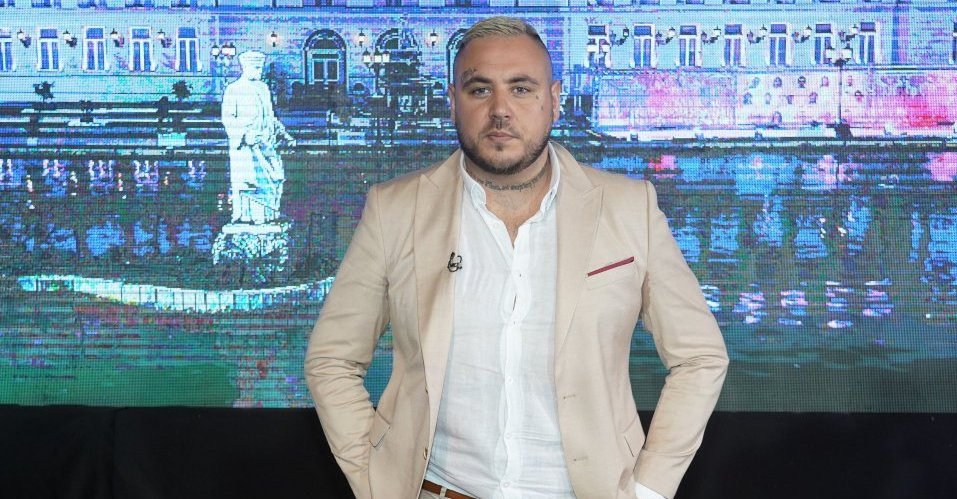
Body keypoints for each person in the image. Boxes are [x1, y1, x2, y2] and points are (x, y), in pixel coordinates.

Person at [306, 16, 728, 499]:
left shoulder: (630, 207)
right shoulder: (394, 209)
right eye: (480, 90)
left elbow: (700, 356)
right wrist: (374, 480)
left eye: (521, 89)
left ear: (554, 100)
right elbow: (332, 358)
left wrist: (649, 489)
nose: (500, 110)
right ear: (453, 101)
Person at [220, 50, 295, 225]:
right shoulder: (234, 89)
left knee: (276, 177)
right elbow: (228, 119)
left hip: (267, 144)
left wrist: (283, 133)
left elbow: (270, 116)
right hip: (247, 149)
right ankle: (250, 217)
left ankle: (270, 214)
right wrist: (245, 135)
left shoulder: (263, 88)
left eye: (260, 67)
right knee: (251, 184)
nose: (259, 71)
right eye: (256, 68)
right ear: (245, 67)